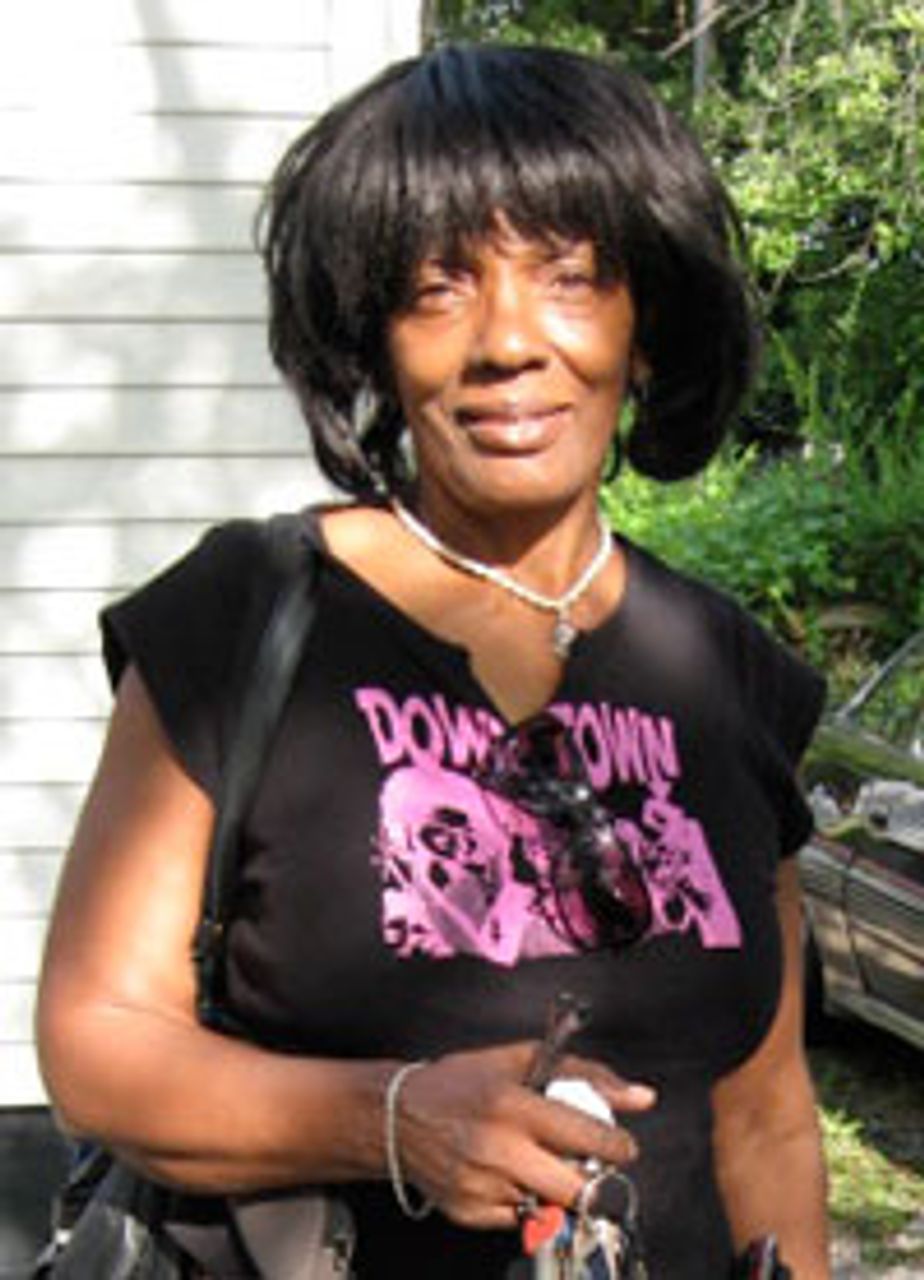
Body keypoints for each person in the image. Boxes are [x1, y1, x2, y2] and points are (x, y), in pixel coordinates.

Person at [36, 42, 831, 1279]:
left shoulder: (726, 668)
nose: (508, 340)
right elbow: (97, 1041)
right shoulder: (246, 616)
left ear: (645, 323)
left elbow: (767, 1114)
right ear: (373, 336)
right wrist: (394, 1117)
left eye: (569, 276)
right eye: (437, 286)